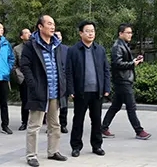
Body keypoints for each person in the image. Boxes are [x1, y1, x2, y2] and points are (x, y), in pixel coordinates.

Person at [21, 15, 68, 167]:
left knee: (55, 124)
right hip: (40, 90)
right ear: (40, 27)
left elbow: (61, 66)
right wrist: (33, 85)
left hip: (55, 90)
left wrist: (63, 84)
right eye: (49, 24)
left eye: (53, 24)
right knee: (34, 125)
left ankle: (53, 151)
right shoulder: (31, 45)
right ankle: (31, 155)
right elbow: (25, 66)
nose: (52, 27)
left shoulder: (57, 44)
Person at [66, 20, 111, 157]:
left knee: (96, 120)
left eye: (92, 31)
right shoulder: (73, 50)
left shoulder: (100, 50)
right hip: (80, 92)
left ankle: (97, 145)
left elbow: (106, 70)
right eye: (87, 31)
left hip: (97, 91)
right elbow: (69, 72)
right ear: (81, 33)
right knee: (78, 120)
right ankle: (76, 146)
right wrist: (70, 90)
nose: (90, 34)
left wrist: (106, 87)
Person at [101, 24, 151, 140]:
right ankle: (139, 130)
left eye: (131, 33)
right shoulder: (117, 46)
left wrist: (135, 61)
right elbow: (117, 64)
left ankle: (103, 128)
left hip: (124, 79)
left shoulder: (123, 45)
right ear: (120, 33)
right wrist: (132, 63)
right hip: (122, 80)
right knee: (131, 106)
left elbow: (124, 62)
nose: (130, 35)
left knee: (115, 106)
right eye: (128, 32)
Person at [14, 28, 31, 130]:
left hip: (35, 77)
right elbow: (14, 65)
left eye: (29, 32)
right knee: (25, 100)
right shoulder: (17, 49)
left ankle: (41, 119)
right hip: (24, 77)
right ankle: (24, 121)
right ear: (21, 36)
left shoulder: (36, 46)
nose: (29, 34)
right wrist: (19, 75)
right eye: (26, 33)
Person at [54, 31, 69, 133]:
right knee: (52, 105)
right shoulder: (50, 49)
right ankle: (52, 124)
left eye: (60, 36)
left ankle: (63, 124)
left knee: (64, 104)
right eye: (56, 36)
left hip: (64, 79)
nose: (58, 37)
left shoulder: (66, 49)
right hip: (53, 80)